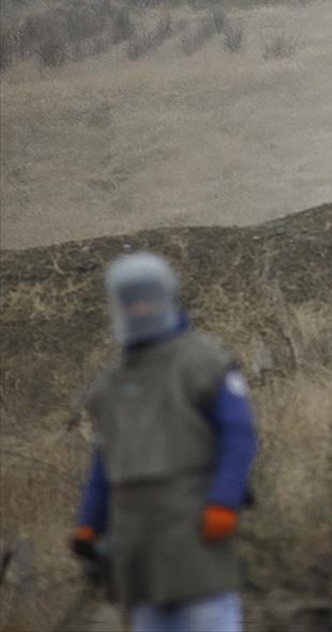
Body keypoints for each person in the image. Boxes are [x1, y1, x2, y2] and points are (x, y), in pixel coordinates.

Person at [70, 252, 258, 632]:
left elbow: (239, 435)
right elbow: (104, 462)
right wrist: (88, 524)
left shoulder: (202, 361)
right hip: (135, 549)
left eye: (147, 297)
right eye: (130, 300)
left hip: (196, 532)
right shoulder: (110, 386)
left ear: (167, 297)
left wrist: (224, 501)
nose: (140, 307)